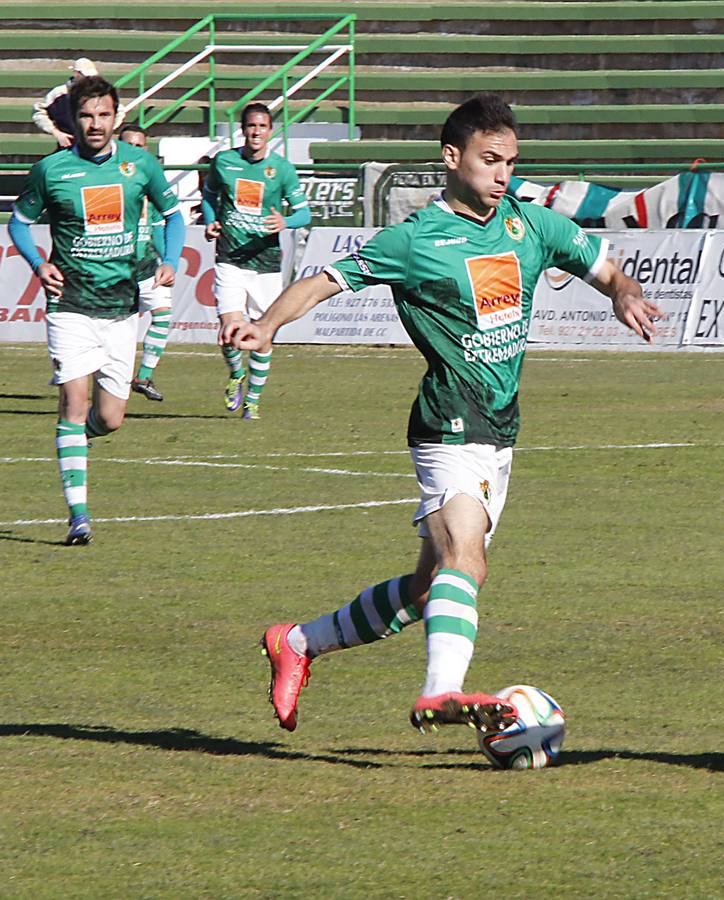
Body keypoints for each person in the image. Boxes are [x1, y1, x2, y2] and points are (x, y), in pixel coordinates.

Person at [223, 94, 660, 734]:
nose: (503, 174)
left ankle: (298, 643)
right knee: (467, 559)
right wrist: (266, 324)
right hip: (447, 420)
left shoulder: (530, 226)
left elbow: (605, 269)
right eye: (490, 160)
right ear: (452, 159)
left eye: (510, 161)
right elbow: (323, 280)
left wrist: (626, 295)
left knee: (430, 590)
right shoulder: (414, 241)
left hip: (500, 427)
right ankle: (440, 692)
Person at [7, 76, 184, 545]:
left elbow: (174, 214)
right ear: (73, 119)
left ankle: (76, 441)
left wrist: (169, 261)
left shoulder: (140, 165)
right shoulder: (52, 170)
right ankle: (79, 515)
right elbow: (20, 223)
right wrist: (39, 264)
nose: (95, 124)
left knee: (109, 418)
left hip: (122, 309)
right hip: (70, 307)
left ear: (116, 117)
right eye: (86, 115)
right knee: (74, 403)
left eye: (104, 115)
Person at [202, 102, 310, 420]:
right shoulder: (224, 162)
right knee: (229, 329)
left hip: (266, 262)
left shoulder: (282, 169)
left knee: (262, 333)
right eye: (251, 126)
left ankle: (253, 399)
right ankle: (236, 374)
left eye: (262, 126)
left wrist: (286, 222)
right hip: (230, 257)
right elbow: (209, 195)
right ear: (243, 129)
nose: (256, 132)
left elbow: (304, 212)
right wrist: (210, 220)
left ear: (270, 131)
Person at [118, 124, 172, 401]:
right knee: (114, 332)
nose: (136, 151)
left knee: (163, 315)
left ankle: (144, 376)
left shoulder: (152, 181)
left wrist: (169, 261)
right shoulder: (110, 180)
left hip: (148, 267)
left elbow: (161, 226)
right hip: (117, 270)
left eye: (141, 146)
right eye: (130, 145)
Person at [33, 58, 123, 150]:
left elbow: (119, 111)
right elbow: (39, 112)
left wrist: (106, 129)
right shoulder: (59, 93)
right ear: (76, 73)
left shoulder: (101, 92)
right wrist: (56, 133)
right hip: (67, 146)